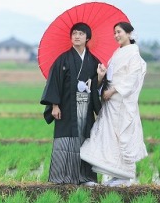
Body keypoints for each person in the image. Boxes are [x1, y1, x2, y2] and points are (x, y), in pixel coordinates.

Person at [80, 21, 148, 186]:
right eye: (115, 33)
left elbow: (131, 79)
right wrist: (102, 75)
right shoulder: (117, 53)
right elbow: (111, 76)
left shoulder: (133, 54)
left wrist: (112, 91)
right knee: (109, 136)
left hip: (122, 102)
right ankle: (116, 174)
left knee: (122, 136)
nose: (116, 35)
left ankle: (124, 176)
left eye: (119, 32)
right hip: (111, 103)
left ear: (129, 34)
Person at [40, 23, 104, 185]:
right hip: (67, 107)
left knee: (85, 139)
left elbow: (97, 86)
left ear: (87, 38)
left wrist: (99, 77)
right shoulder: (62, 59)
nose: (77, 36)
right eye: (74, 33)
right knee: (65, 141)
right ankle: (62, 177)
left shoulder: (93, 61)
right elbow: (54, 83)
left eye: (81, 34)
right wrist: (54, 105)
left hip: (86, 106)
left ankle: (86, 178)